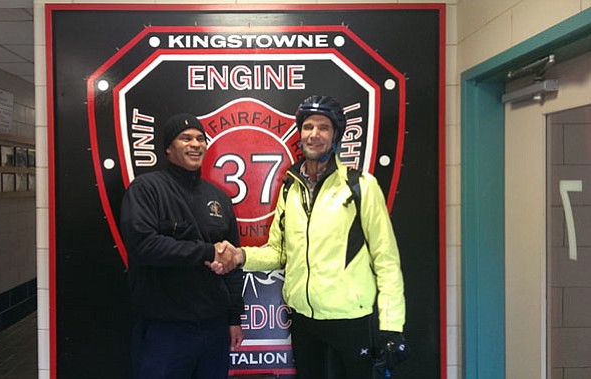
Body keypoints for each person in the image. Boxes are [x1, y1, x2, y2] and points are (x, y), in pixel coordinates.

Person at [210, 95, 408, 379]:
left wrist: (391, 326)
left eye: (324, 127)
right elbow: (278, 253)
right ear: (300, 133)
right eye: (308, 126)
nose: (314, 134)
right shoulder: (290, 189)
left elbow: (386, 260)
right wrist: (240, 256)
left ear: (336, 134)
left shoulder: (360, 186)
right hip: (304, 319)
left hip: (351, 319)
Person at [120, 113, 244, 379]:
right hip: (165, 331)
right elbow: (143, 245)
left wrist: (234, 318)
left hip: (214, 328)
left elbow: (232, 264)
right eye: (185, 138)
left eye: (201, 138)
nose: (195, 144)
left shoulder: (219, 198)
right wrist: (208, 252)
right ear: (168, 148)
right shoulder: (146, 189)